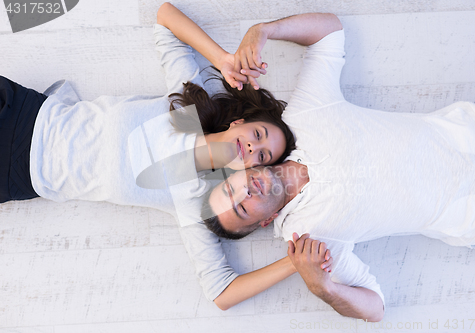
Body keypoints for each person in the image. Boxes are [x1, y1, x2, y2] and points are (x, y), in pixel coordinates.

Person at [200, 11, 475, 322]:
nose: (245, 192)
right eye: (241, 208)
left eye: (231, 188)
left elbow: (329, 33)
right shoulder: (309, 241)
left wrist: (263, 30)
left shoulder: (303, 117)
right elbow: (376, 308)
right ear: (264, 222)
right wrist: (324, 287)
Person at [0, 3, 297, 216]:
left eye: (262, 155)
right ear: (239, 122)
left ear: (252, 169)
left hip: (21, 175)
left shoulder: (197, 197)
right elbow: (165, 17)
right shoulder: (191, 109)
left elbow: (219, 289)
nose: (251, 146)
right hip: (28, 115)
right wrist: (222, 60)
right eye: (258, 134)